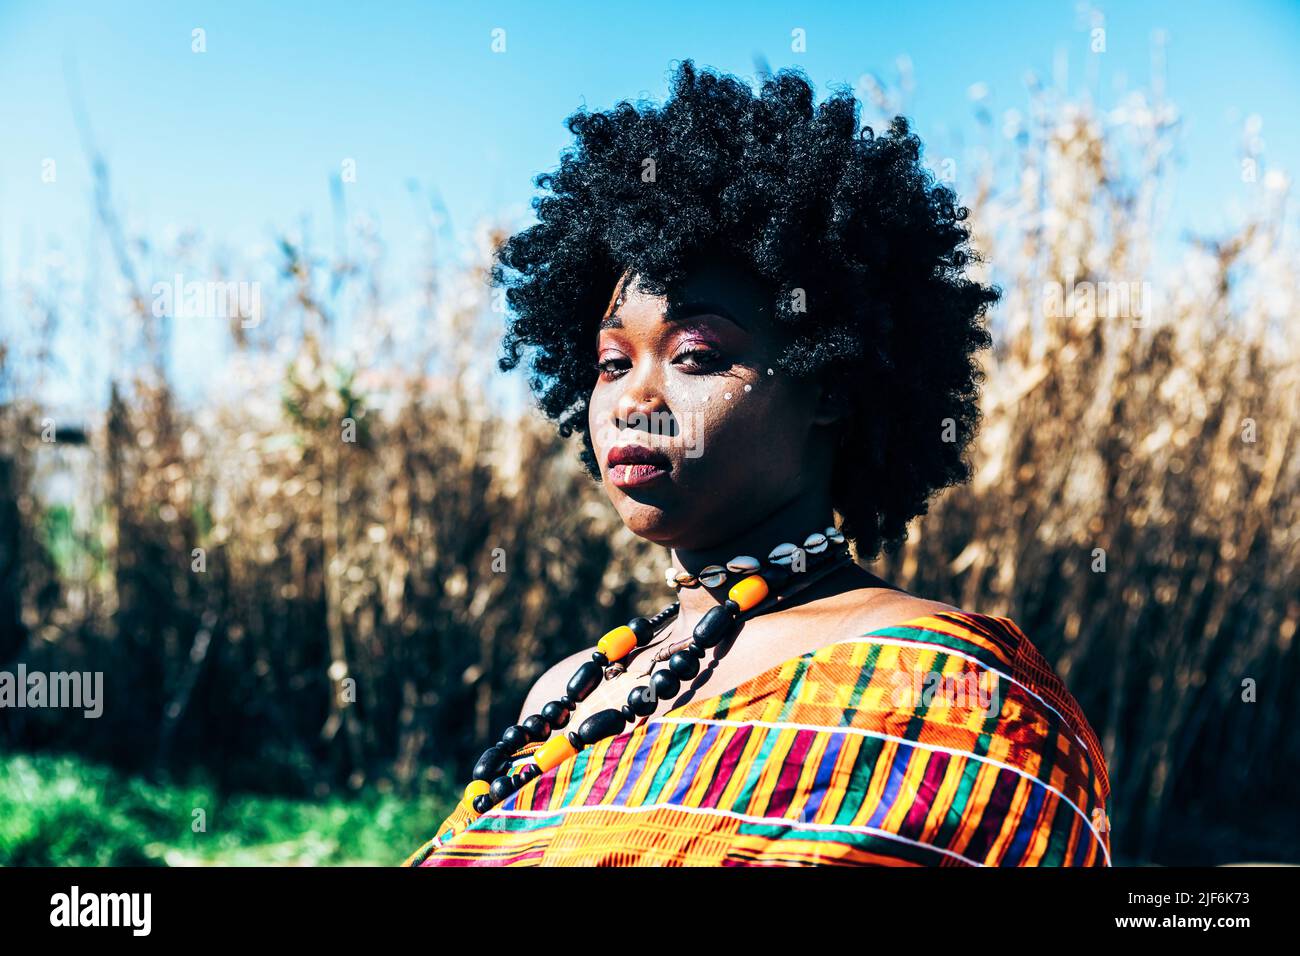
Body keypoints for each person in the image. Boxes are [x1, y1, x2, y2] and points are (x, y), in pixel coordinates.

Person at [405, 60, 1111, 867]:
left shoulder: (952, 693)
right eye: (609, 363)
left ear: (831, 384)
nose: (635, 400)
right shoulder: (570, 690)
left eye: (695, 355)